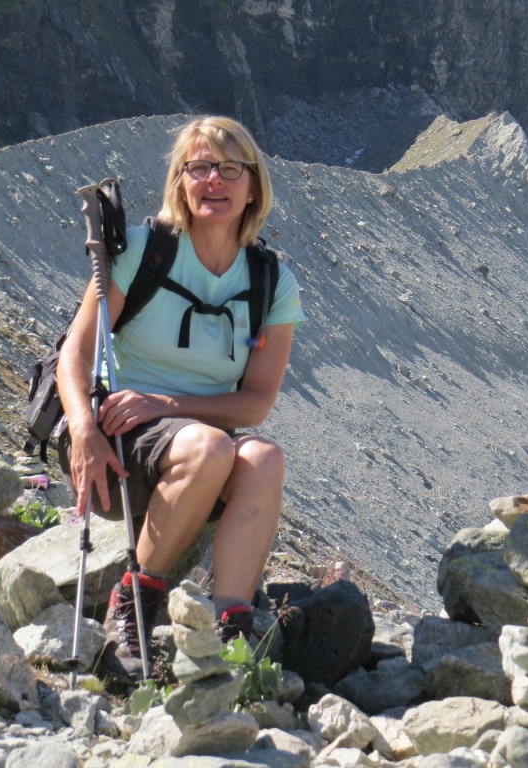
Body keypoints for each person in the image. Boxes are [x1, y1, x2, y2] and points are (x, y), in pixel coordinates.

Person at [56, 115, 305, 683]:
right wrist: (83, 431)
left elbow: (255, 403)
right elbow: (77, 352)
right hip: (118, 448)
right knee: (211, 447)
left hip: (192, 445)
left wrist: (166, 405)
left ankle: (230, 632)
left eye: (231, 168)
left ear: (253, 187)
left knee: (264, 458)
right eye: (199, 167)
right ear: (180, 182)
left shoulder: (270, 282)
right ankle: (133, 602)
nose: (214, 180)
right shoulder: (142, 251)